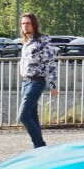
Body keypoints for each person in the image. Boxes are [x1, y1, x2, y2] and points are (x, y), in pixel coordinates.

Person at [17, 13, 59, 147]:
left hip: (36, 82)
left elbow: (50, 63)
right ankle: (40, 148)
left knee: (23, 116)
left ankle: (40, 145)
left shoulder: (42, 40)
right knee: (32, 116)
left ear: (34, 24)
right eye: (23, 23)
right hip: (25, 82)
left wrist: (53, 85)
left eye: (27, 23)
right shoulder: (26, 42)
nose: (25, 26)